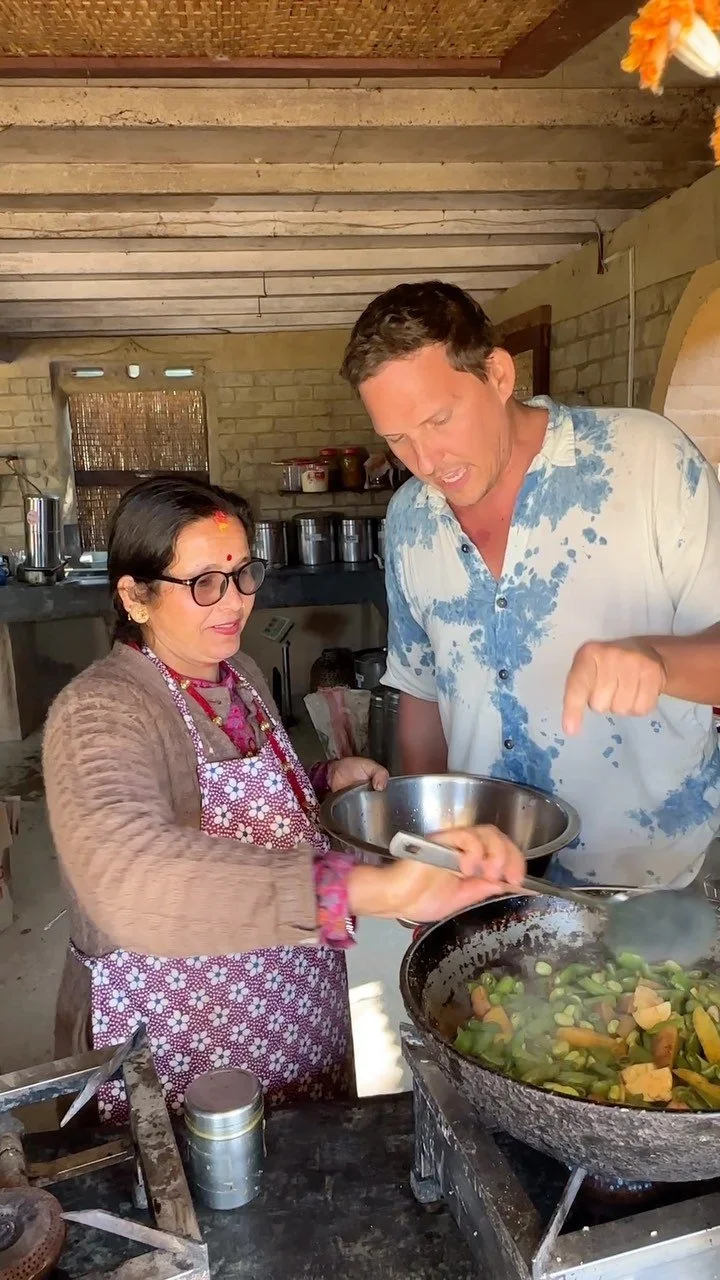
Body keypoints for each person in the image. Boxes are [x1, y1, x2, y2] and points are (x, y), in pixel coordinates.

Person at [43, 476, 524, 1122]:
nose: (235, 602)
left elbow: (247, 797)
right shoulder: (100, 711)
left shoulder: (238, 674)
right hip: (184, 1049)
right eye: (204, 583)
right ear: (136, 596)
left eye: (244, 574)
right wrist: (370, 891)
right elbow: (129, 879)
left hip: (299, 1015)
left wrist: (321, 781)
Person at [341, 281, 720, 890]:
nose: (427, 460)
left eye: (440, 419)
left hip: (648, 883)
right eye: (397, 438)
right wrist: (429, 855)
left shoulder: (647, 460)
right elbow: (421, 690)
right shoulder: (410, 518)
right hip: (488, 884)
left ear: (497, 374)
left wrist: (660, 661)